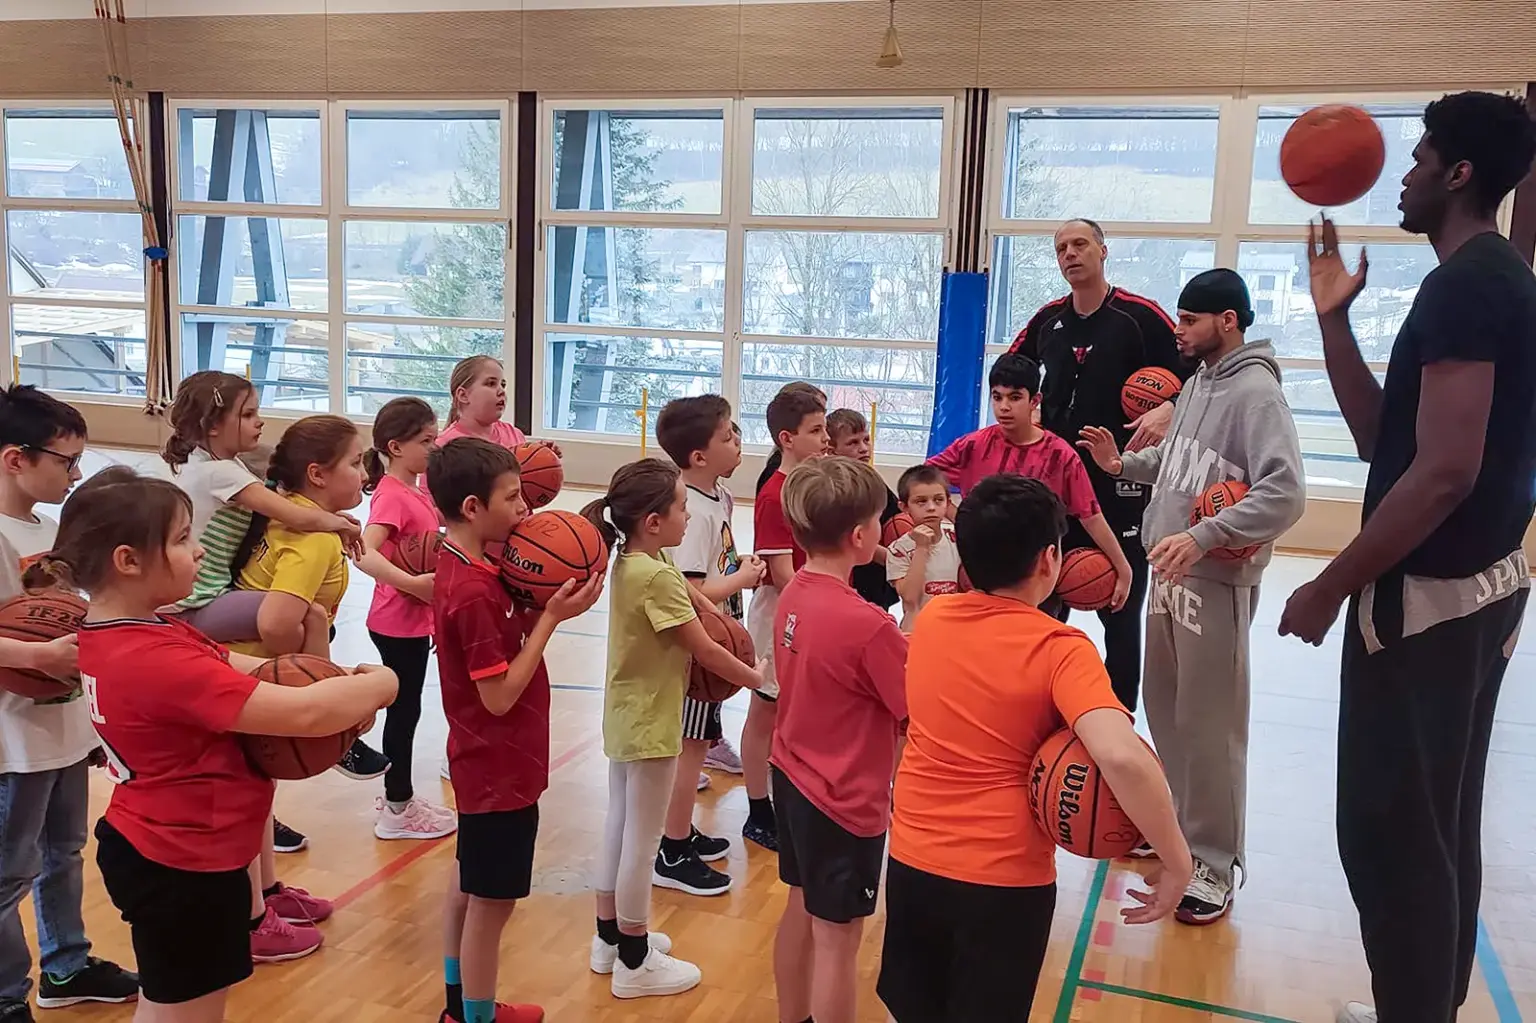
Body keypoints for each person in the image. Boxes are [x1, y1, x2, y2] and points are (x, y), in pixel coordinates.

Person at [1275, 93, 1536, 1023]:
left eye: (1421, 156)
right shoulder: (1489, 276)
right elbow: (1392, 439)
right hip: (1480, 590)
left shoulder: (1471, 282)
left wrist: (1326, 583)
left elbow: (1444, 477)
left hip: (1429, 601)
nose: (1407, 172)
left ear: (1461, 174)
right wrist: (1333, 322)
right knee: (1437, 823)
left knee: (1393, 835)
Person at [42, 468, 393, 1023]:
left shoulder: (137, 631)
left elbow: (251, 668)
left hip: (167, 845)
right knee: (185, 1015)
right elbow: (302, 713)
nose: (201, 550)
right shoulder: (155, 658)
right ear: (127, 561)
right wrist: (377, 684)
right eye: (182, 539)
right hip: (182, 862)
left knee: (171, 1006)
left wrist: (332, 678)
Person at [878, 474, 1192, 1022]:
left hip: (911, 862)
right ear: (1050, 559)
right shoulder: (1061, 649)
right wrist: (1177, 857)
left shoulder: (931, 621)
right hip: (1003, 882)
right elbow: (1119, 757)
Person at [1080, 268, 1305, 925]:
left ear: (1228, 321)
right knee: (1170, 712)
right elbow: (1183, 465)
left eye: (1189, 320)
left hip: (1212, 576)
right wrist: (1123, 464)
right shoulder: (1200, 382)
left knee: (1211, 726)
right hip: (1167, 569)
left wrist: (1207, 535)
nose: (1177, 330)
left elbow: (1284, 491)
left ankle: (1214, 861)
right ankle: (1180, 830)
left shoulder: (1257, 391)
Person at [426, 438, 602, 1023]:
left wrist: (541, 604)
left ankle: (460, 1003)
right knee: (492, 904)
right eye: (512, 497)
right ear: (473, 507)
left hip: (485, 760)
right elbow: (498, 696)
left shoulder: (466, 564)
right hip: (496, 761)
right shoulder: (474, 591)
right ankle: (476, 1017)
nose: (525, 506)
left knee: (467, 883)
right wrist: (549, 620)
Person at [580, 459, 763, 999]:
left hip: (624, 713)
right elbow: (704, 647)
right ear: (654, 520)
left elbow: (696, 600)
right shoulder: (657, 574)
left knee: (620, 824)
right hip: (654, 719)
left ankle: (608, 938)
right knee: (642, 839)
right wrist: (762, 680)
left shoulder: (634, 559)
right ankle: (635, 961)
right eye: (682, 506)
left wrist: (712, 606)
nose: (689, 515)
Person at [1008, 219, 1190, 711]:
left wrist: (1169, 406)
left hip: (1118, 482)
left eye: (1080, 244)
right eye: (1061, 247)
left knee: (1122, 611)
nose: (1070, 253)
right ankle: (1037, 709)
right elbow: (1010, 371)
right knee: (1044, 609)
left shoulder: (1139, 316)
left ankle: (1119, 718)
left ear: (1103, 251)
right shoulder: (1048, 319)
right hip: (1053, 486)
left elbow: (1195, 370)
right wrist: (1029, 407)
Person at [0, 387, 138, 1023]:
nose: (76, 473)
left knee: (64, 851)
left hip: (60, 724)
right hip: (10, 736)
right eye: (67, 460)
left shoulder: (49, 531)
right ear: (15, 459)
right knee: (7, 875)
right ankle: (6, 1001)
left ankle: (66, 965)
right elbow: (36, 642)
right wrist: (36, 658)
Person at [769, 456, 908, 1023]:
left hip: (792, 775)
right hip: (844, 801)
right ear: (860, 537)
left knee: (799, 908)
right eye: (879, 520)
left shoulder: (794, 592)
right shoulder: (870, 625)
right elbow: (915, 709)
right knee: (839, 944)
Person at [653, 396, 766, 897]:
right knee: (690, 750)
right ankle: (671, 848)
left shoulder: (715, 495)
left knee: (697, 746)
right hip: (696, 642)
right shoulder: (691, 511)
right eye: (728, 436)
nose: (738, 441)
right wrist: (741, 577)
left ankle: (680, 829)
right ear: (698, 456)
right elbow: (691, 589)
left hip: (714, 633)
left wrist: (738, 565)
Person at [162, 371, 361, 648]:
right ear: (212, 426)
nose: (260, 421)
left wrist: (331, 516)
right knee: (310, 615)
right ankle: (315, 681)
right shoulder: (220, 473)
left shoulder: (221, 464)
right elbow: (296, 515)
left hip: (200, 597)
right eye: (247, 415)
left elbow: (278, 502)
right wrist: (340, 524)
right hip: (195, 604)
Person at [928, 354, 1133, 616]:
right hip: (979, 575)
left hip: (1035, 582)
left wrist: (1124, 568)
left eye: (1014, 397)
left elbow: (1091, 516)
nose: (1003, 406)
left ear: (1034, 401)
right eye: (997, 396)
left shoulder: (1060, 455)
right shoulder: (971, 445)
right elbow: (923, 480)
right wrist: (957, 517)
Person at [356, 398, 456, 841]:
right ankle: (396, 809)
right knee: (404, 714)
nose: (433, 449)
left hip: (411, 621)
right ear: (395, 447)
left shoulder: (414, 490)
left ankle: (400, 801)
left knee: (408, 711)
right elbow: (364, 552)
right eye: (425, 441)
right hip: (396, 620)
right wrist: (414, 586)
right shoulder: (392, 496)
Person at [744, 386, 828, 852]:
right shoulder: (774, 495)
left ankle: (791, 796)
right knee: (766, 712)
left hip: (812, 613)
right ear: (787, 438)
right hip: (781, 618)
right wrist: (830, 602)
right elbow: (782, 574)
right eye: (816, 431)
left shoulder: (815, 485)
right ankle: (758, 809)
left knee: (798, 714)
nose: (824, 439)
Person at [825, 408, 900, 613]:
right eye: (853, 443)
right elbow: (853, 539)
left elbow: (897, 518)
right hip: (854, 577)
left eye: (866, 440)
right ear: (832, 451)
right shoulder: (834, 488)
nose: (863, 448)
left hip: (877, 578)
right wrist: (896, 561)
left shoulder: (872, 480)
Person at [436, 356, 559, 455]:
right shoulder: (444, 447)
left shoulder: (514, 435)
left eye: (503, 385)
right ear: (463, 395)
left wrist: (540, 458)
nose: (501, 391)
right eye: (491, 383)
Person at [886, 464, 959, 631]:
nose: (931, 507)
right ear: (904, 507)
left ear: (948, 502)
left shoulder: (957, 538)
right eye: (921, 502)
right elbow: (910, 599)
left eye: (938, 500)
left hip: (954, 626)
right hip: (917, 630)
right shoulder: (898, 550)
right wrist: (921, 548)